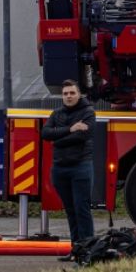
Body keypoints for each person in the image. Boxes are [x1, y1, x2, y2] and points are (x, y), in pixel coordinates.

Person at [40, 79, 97, 248]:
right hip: (60, 169)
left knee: (82, 209)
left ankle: (87, 250)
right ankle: (75, 249)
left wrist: (58, 140)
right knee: (70, 210)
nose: (69, 96)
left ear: (79, 94)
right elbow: (45, 133)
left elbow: (83, 136)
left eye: (72, 93)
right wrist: (70, 129)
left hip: (81, 167)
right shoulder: (56, 114)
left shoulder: (88, 113)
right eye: (65, 94)